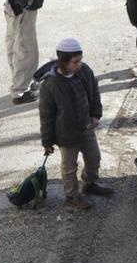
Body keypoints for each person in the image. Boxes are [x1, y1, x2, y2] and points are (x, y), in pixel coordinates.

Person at [38, 38, 113, 210]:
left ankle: (89, 183)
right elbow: (46, 115)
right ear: (63, 62)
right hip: (67, 134)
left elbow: (94, 92)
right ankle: (72, 196)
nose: (80, 64)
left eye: (80, 59)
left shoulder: (85, 71)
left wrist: (95, 115)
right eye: (75, 62)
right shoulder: (50, 85)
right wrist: (47, 142)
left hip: (86, 127)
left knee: (94, 159)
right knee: (69, 167)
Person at [5, 0, 44, 104]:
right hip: (22, 6)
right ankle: (21, 91)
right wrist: (25, 5)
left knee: (15, 44)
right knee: (26, 49)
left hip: (15, 1)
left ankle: (20, 83)